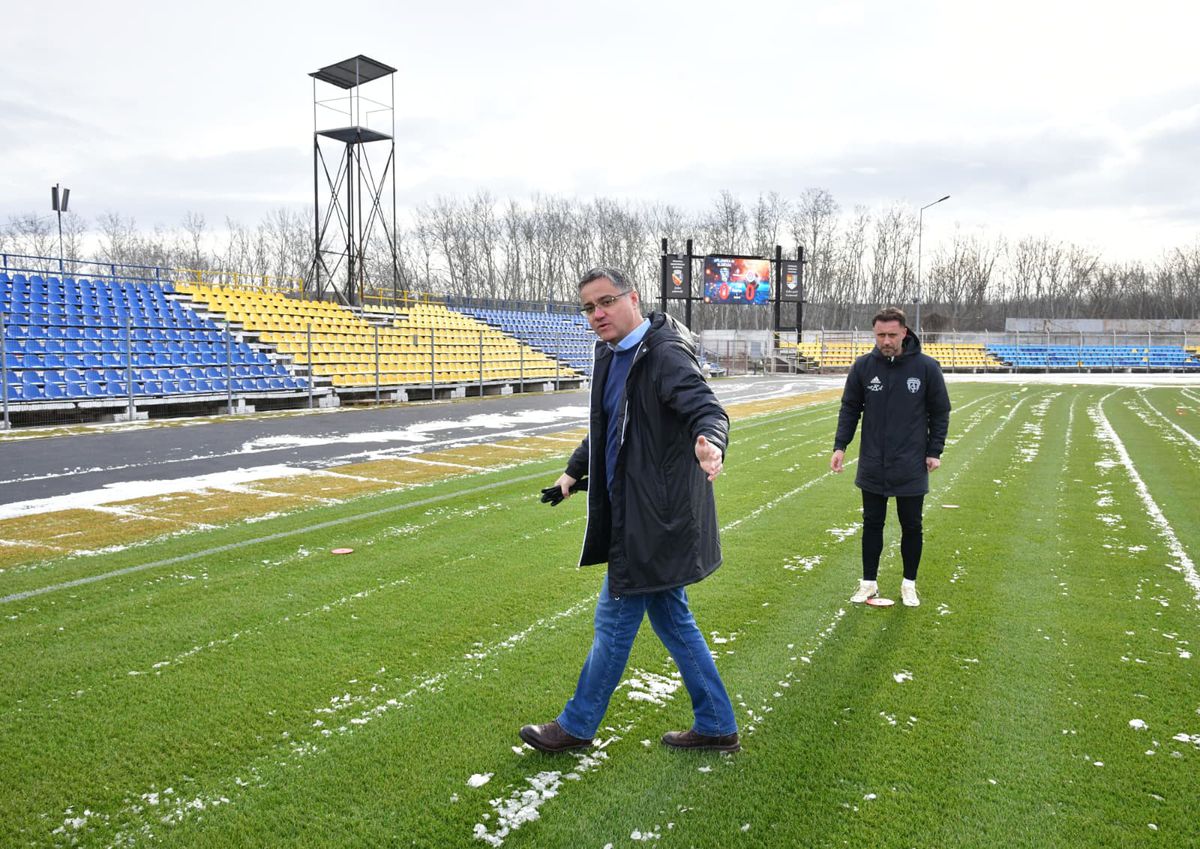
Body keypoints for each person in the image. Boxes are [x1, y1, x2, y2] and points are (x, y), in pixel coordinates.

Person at [520, 266, 739, 754]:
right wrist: (572, 473)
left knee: (612, 626)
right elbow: (606, 426)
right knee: (675, 623)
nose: (598, 314)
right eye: (589, 307)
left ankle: (576, 726)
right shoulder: (610, 352)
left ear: (633, 299)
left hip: (652, 523)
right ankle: (717, 723)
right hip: (634, 514)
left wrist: (711, 443)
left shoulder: (663, 355)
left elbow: (707, 409)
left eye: (606, 302)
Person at [830, 307, 950, 608]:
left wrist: (935, 450)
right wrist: (840, 445)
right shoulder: (862, 367)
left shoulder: (926, 368)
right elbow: (849, 409)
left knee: (912, 525)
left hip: (911, 462)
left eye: (892, 335)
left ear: (904, 333)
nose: (886, 341)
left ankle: (909, 584)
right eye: (880, 335)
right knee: (872, 523)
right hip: (873, 461)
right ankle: (868, 583)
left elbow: (940, 411)